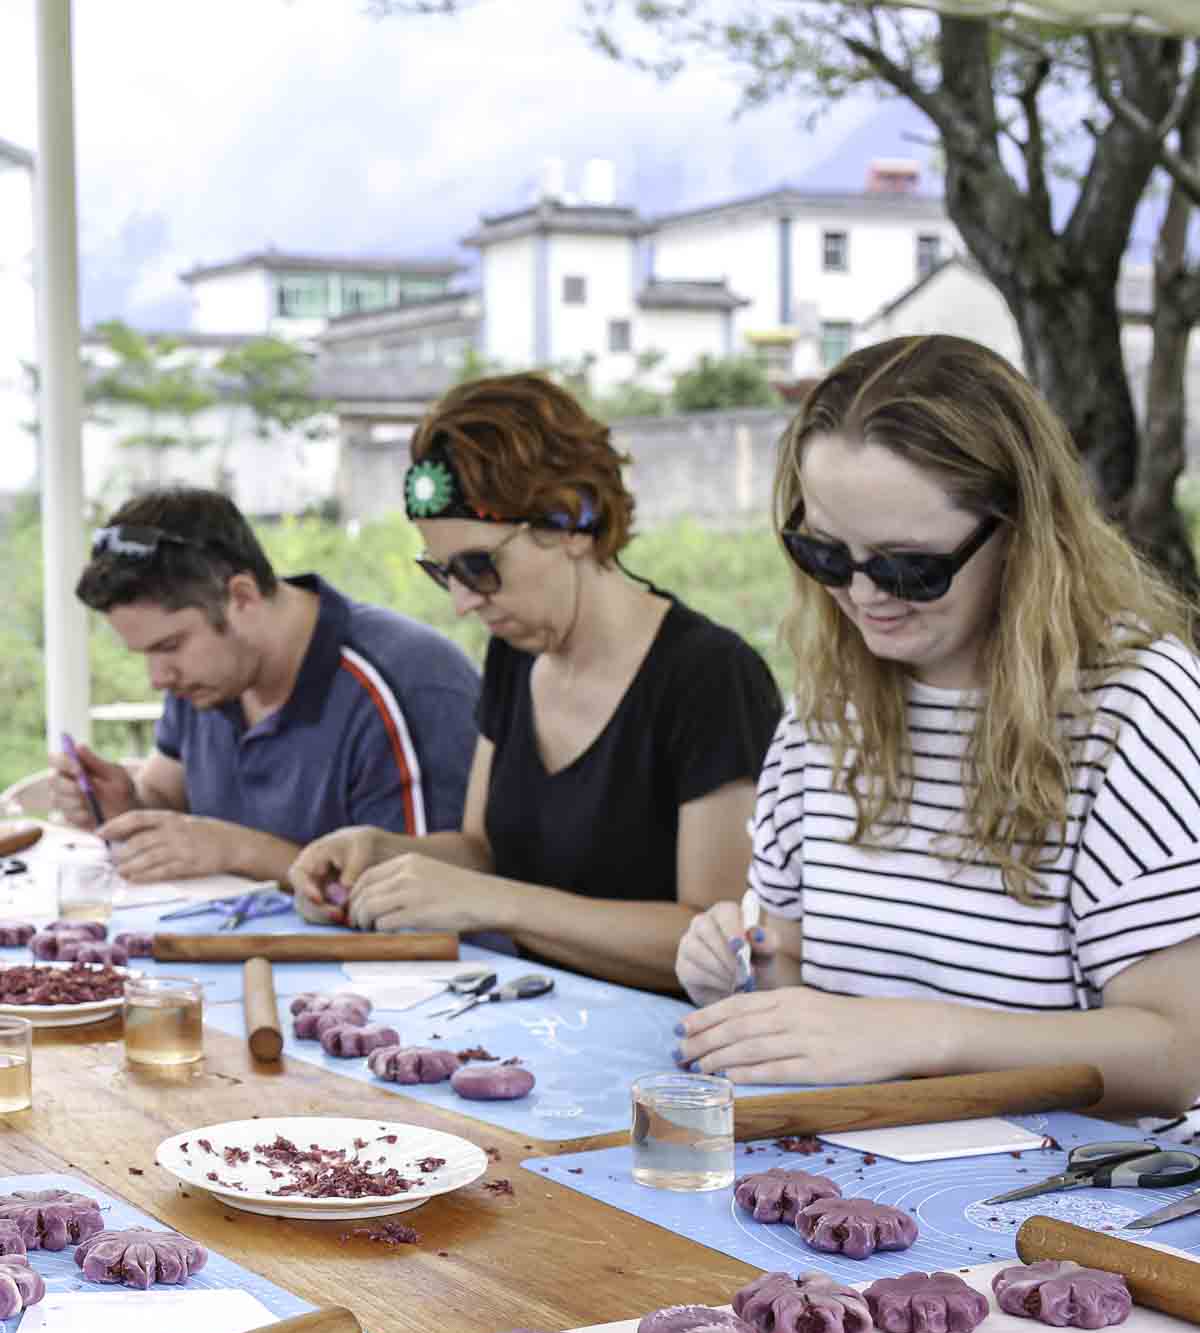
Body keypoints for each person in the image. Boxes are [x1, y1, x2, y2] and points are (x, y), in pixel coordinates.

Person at [674, 334, 1200, 1120]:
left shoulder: (1133, 708)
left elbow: (1176, 1054)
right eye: (824, 553)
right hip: (853, 1166)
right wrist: (740, 970)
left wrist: (923, 1035)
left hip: (1063, 1201)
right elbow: (794, 971)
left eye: (907, 566)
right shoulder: (832, 700)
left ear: (1021, 535)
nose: (860, 595)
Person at [289, 372, 782, 992]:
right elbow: (485, 851)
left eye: (478, 567)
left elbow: (720, 943)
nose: (463, 603)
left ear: (571, 520)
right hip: (539, 1020)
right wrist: (378, 851)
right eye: (443, 574)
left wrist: (495, 902)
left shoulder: (710, 679)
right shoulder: (515, 657)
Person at [52, 487, 480, 884]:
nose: (158, 678)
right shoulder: (205, 677)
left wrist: (237, 850)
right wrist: (125, 807)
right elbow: (167, 793)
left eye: (169, 646)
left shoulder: (405, 686)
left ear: (241, 596)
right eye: (145, 653)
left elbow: (428, 891)